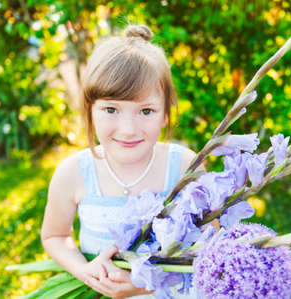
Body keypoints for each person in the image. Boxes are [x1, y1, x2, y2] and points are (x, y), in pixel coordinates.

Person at [40, 24, 202, 298]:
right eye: (111, 109)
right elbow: (54, 236)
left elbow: (208, 248)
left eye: (146, 111)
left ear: (165, 114)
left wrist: (149, 282)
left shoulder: (184, 168)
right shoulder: (73, 174)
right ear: (90, 111)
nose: (128, 129)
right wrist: (85, 271)